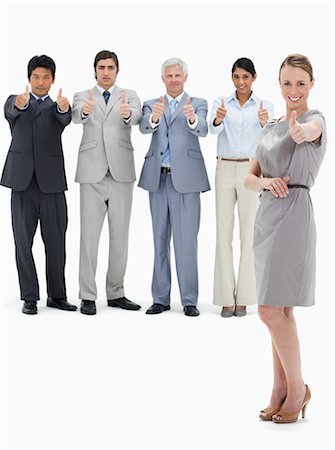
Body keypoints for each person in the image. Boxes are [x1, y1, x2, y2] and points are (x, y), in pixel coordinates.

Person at [245, 54, 326, 423]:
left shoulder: (315, 120)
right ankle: (279, 388)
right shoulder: (270, 125)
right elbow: (249, 176)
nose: (293, 90)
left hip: (294, 212)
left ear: (311, 85)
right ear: (278, 84)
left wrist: (300, 132)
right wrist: (264, 181)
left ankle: (298, 390)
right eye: (287, 83)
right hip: (266, 212)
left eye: (300, 83)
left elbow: (308, 134)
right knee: (279, 310)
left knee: (269, 311)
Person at [1, 55, 76, 314]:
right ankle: (29, 296)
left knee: (56, 242)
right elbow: (10, 110)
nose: (41, 82)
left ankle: (57, 295)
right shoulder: (16, 102)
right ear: (29, 79)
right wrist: (19, 104)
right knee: (23, 241)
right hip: (22, 183)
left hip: (52, 183)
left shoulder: (58, 107)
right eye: (36, 77)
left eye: (46, 77)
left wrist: (64, 109)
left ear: (53, 80)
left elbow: (64, 119)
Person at [72, 50, 142, 315]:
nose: (105, 72)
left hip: (121, 171)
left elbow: (136, 116)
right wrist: (86, 111)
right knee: (89, 237)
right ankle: (87, 295)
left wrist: (126, 115)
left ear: (117, 70)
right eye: (101, 67)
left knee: (120, 236)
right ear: (94, 70)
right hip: (92, 172)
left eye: (110, 67)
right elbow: (76, 115)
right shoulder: (82, 96)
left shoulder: (130, 95)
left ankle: (116, 292)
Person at [138, 57, 210, 317]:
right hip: (158, 179)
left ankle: (189, 299)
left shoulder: (198, 104)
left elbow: (203, 129)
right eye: (169, 76)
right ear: (163, 79)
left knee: (186, 241)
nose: (174, 80)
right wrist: (155, 119)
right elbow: (144, 128)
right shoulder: (151, 104)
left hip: (187, 180)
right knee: (158, 240)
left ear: (185, 77)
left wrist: (192, 120)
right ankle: (160, 298)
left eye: (177, 76)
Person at [210, 57, 274, 317]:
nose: (241, 82)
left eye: (246, 77)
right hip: (224, 167)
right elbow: (212, 132)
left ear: (254, 78)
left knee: (249, 233)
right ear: (232, 78)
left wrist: (263, 122)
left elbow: (270, 139)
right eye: (237, 77)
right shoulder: (221, 103)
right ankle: (226, 297)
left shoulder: (264, 105)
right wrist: (217, 119)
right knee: (223, 232)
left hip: (251, 169)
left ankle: (245, 297)